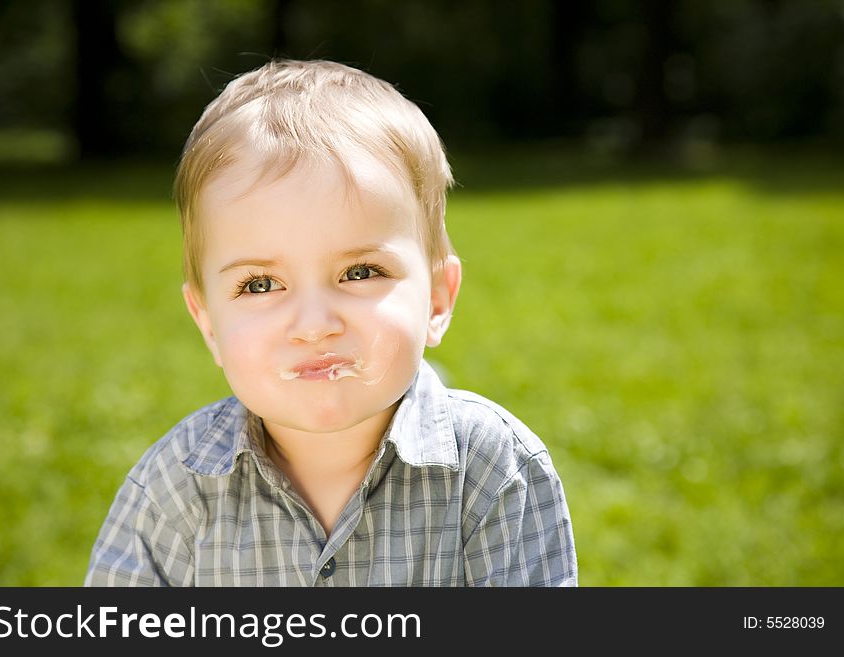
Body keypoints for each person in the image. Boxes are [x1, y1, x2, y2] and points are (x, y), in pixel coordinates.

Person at [85, 59, 577, 586]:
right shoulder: (174, 487)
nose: (314, 325)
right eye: (259, 284)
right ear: (208, 324)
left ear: (436, 299)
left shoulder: (494, 471)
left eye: (359, 272)